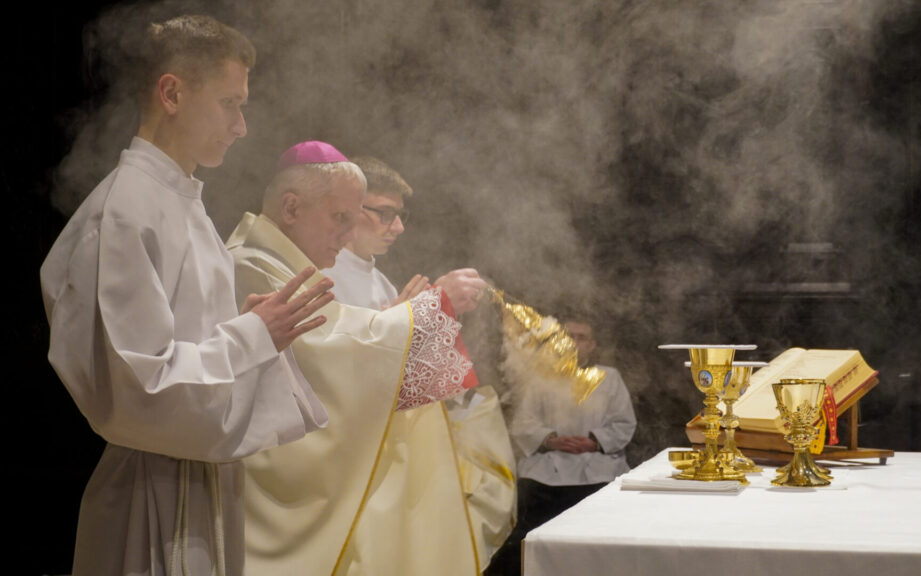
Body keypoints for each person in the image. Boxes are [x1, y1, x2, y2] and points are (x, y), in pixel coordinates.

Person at [40, 15, 334, 576]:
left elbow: (181, 340)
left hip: (196, 479)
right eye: (229, 103)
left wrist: (243, 327)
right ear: (172, 93)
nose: (241, 126)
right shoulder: (126, 210)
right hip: (153, 491)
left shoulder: (178, 199)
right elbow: (138, 386)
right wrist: (249, 338)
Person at [227, 141, 491, 576]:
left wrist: (409, 321)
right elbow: (325, 359)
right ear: (291, 208)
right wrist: (425, 311)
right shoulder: (251, 266)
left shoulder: (299, 267)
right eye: (340, 219)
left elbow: (349, 348)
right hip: (280, 483)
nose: (349, 235)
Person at [322, 156, 517, 570]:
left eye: (400, 215)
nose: (398, 227)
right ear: (348, 208)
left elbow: (409, 383)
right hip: (347, 464)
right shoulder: (325, 275)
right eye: (385, 213)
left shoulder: (379, 279)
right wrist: (417, 313)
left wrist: (429, 318)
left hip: (389, 447)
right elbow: (335, 370)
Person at [492, 316, 637, 575]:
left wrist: (594, 441)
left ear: (592, 345)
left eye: (582, 338)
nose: (574, 343)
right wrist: (549, 439)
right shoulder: (539, 378)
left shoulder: (609, 377)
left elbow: (624, 422)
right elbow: (523, 422)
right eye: (569, 336)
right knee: (526, 535)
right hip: (548, 471)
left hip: (597, 469)